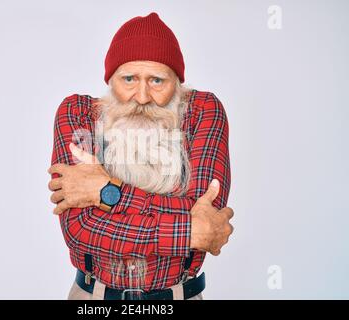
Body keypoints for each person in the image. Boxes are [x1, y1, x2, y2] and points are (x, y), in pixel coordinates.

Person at [48, 12, 234, 300]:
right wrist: (188, 230)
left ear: (178, 86)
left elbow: (208, 218)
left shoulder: (203, 112)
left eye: (157, 81)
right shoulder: (77, 114)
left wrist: (107, 192)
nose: (143, 97)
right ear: (111, 80)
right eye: (129, 79)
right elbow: (81, 228)